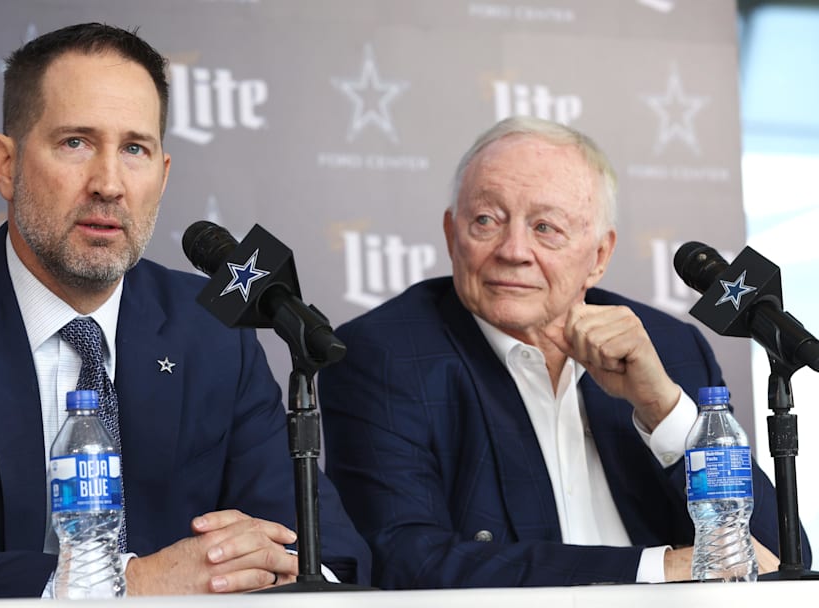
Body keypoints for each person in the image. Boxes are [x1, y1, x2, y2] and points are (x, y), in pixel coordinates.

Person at [0, 22, 369, 600]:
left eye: (135, 149)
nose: (109, 184)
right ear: (5, 165)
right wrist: (126, 585)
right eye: (76, 142)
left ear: (162, 177)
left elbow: (330, 557)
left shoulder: (212, 334)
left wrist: (273, 567)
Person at [317, 116, 810, 588]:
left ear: (599, 256)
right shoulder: (385, 354)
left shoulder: (671, 348)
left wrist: (663, 408)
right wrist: (657, 571)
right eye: (486, 220)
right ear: (451, 235)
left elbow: (774, 555)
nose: (513, 250)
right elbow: (403, 561)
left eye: (545, 227)